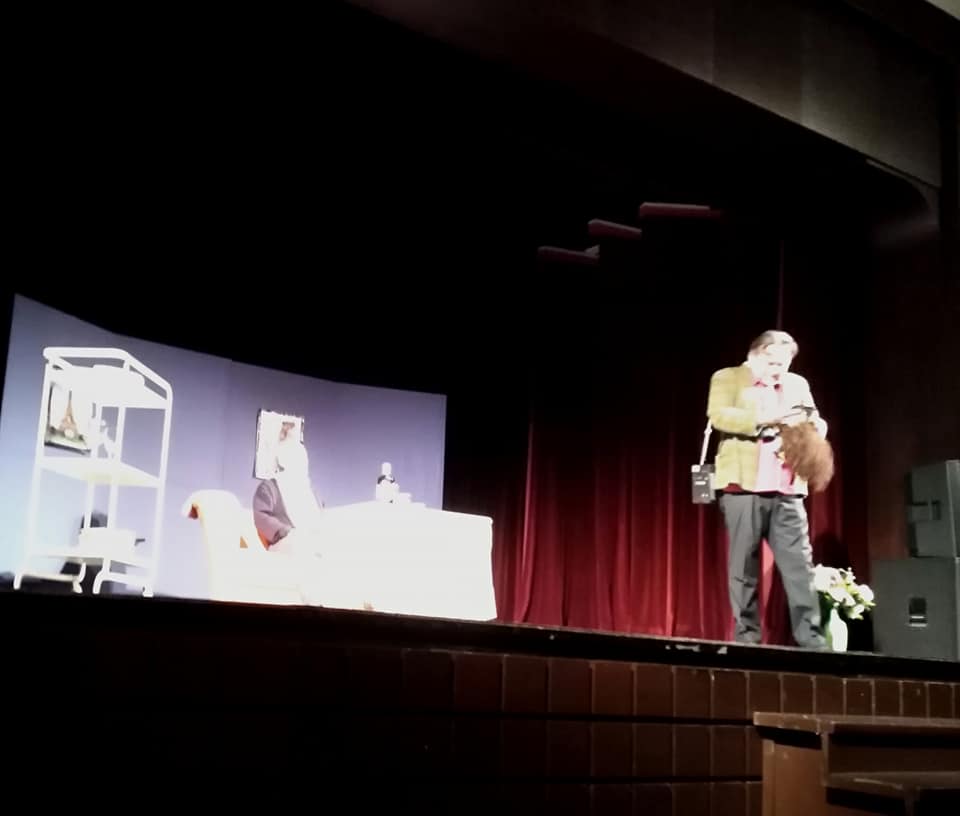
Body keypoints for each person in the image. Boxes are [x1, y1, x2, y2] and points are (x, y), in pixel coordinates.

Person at [707, 330, 828, 649]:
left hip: (788, 488)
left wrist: (817, 427)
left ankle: (811, 640)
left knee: (800, 568)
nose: (779, 370)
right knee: (743, 568)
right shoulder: (728, 377)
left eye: (784, 364)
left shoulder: (797, 384)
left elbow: (814, 417)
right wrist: (767, 418)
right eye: (773, 363)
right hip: (744, 488)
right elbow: (719, 415)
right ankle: (747, 639)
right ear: (755, 355)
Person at [253, 438, 323, 551]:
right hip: (285, 548)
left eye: (303, 459)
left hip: (314, 545)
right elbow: (260, 516)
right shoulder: (269, 487)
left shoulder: (309, 490)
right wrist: (282, 533)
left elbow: (319, 517)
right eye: (296, 459)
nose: (302, 463)